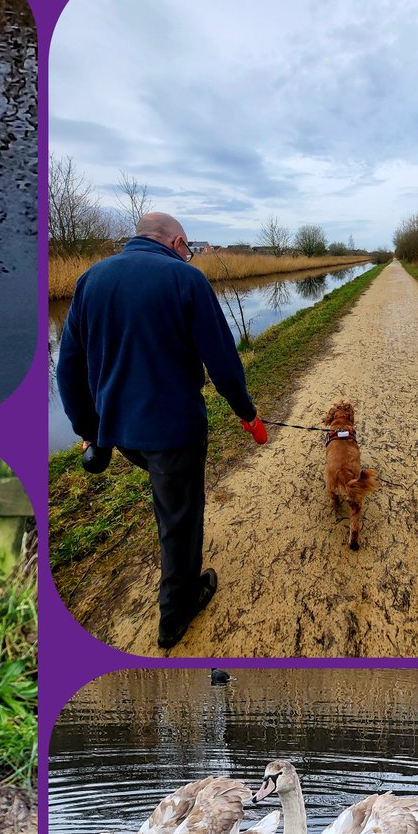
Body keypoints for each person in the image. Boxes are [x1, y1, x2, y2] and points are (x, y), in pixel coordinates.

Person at [56, 211, 267, 648]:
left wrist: (89, 429)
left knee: (168, 499)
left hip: (120, 432)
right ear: (176, 243)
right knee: (179, 518)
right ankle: (175, 614)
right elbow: (223, 362)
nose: (188, 256)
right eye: (188, 250)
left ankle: (177, 573)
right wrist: (246, 412)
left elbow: (69, 368)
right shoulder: (184, 280)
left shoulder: (89, 280)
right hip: (173, 430)